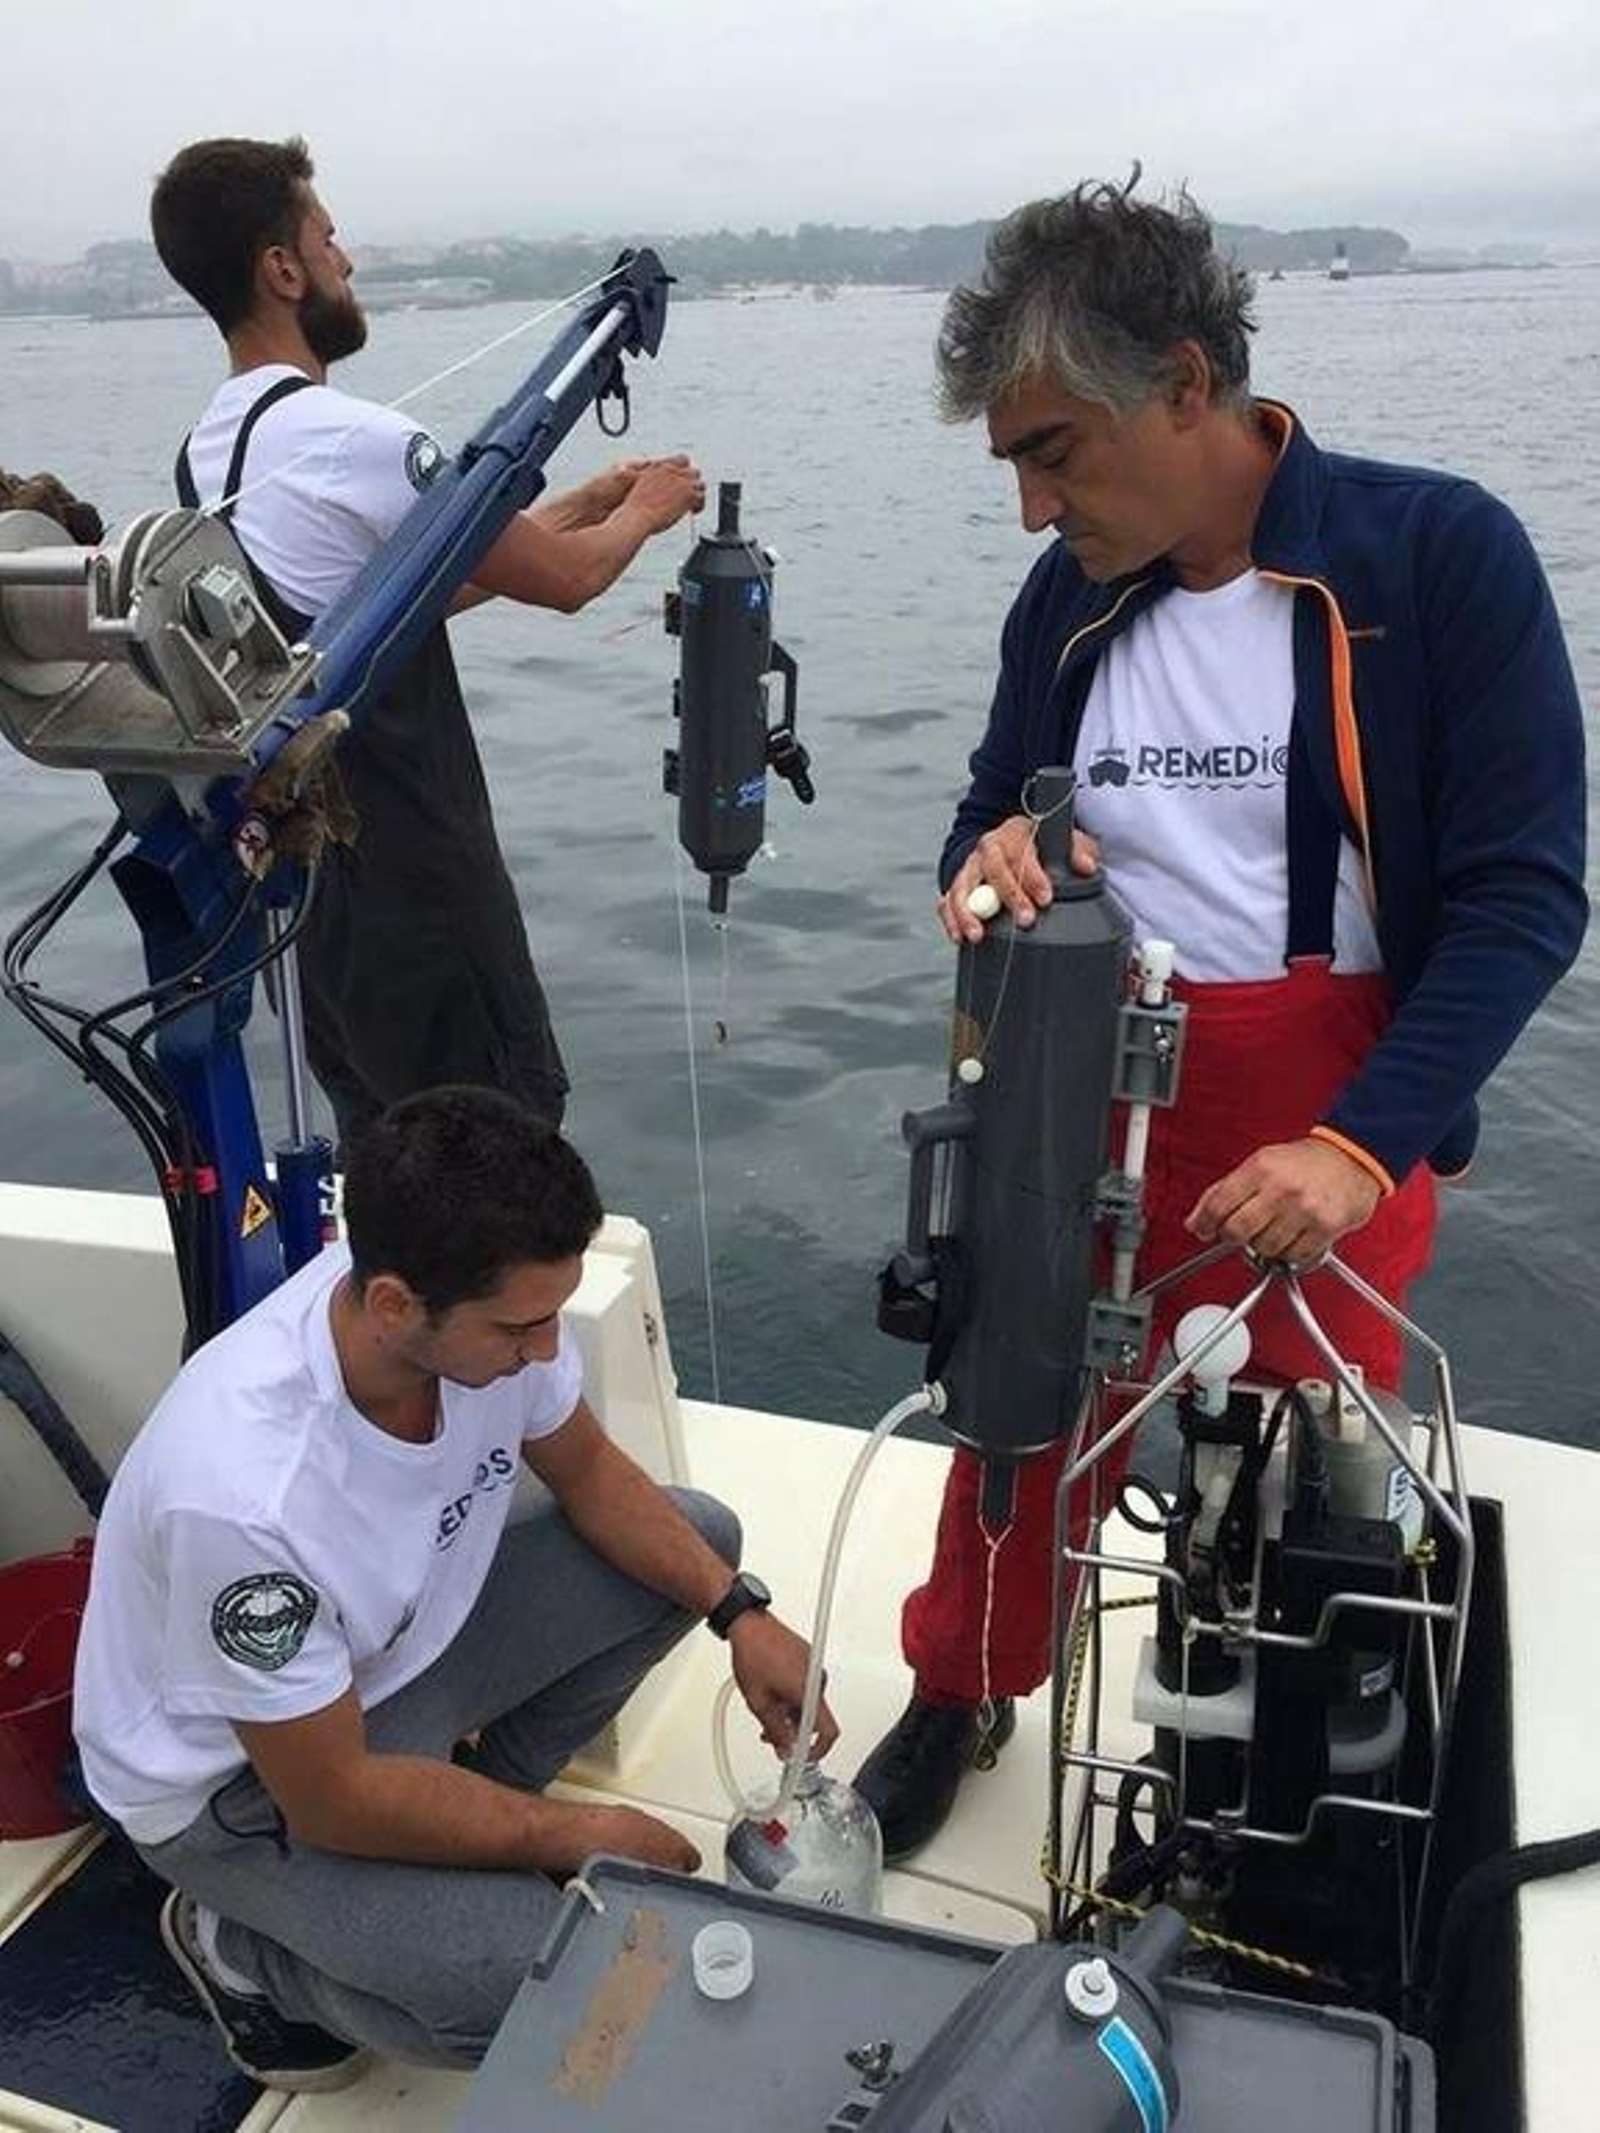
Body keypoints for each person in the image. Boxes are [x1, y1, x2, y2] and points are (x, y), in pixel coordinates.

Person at [854, 177, 1588, 1860]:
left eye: (1058, 450)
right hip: (1070, 1088)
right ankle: (963, 1683)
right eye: (1014, 467)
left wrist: (1353, 1146)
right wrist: (994, 863)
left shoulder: (1437, 554)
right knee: (1012, 1412)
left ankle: (1265, 1764)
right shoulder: (1067, 600)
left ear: (1188, 386)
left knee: (1292, 1467)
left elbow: (1524, 896)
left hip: (1320, 1106)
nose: (1036, 503)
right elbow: (975, 822)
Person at [74, 1085, 832, 2083]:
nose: (547, 1351)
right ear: (393, 1303)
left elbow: (594, 1474)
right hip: (247, 1791)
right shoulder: (245, 1497)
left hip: (385, 1661)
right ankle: (240, 1948)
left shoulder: (476, 1326)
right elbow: (333, 1798)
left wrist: (741, 1615)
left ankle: (478, 1802)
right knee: (545, 1998)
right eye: (520, 1330)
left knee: (697, 1544)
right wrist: (577, 1835)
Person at [149, 136, 704, 1142]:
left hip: (322, 924)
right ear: (281, 268)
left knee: (395, 1168)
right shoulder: (349, 438)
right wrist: (651, 510)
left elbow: (401, 599)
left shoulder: (210, 450)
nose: (345, 260)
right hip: (426, 900)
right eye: (328, 236)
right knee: (500, 1153)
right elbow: (571, 585)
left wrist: (585, 497)